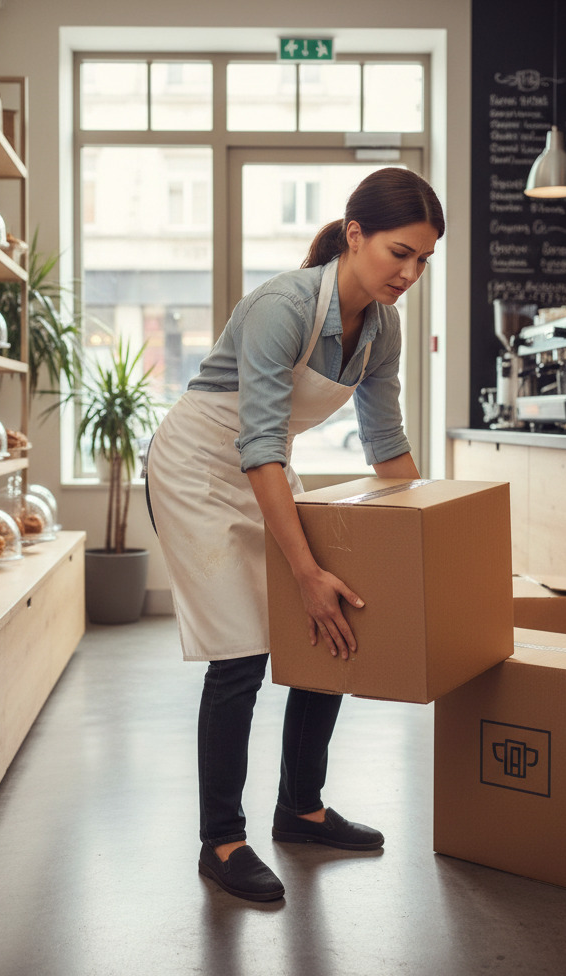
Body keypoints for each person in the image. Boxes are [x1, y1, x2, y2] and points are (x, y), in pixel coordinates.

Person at [145, 166, 445, 902]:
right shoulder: (283, 307)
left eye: (423, 260)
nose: (410, 274)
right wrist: (305, 571)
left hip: (266, 468)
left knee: (328, 628)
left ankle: (301, 810)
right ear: (355, 235)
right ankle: (222, 841)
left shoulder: (383, 327)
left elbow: (387, 446)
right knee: (241, 653)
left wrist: (430, 540)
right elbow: (257, 445)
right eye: (399, 253)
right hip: (199, 468)